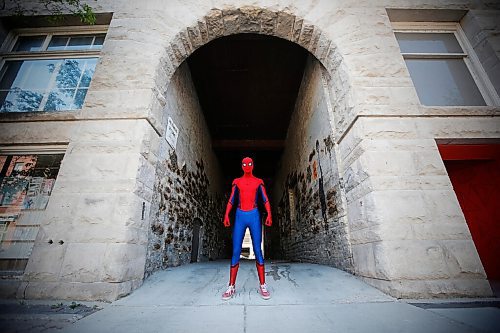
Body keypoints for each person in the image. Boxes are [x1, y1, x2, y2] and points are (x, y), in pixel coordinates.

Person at [222, 157, 272, 300]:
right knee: (236, 250)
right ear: (241, 166)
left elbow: (265, 198)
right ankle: (231, 286)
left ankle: (263, 285)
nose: (247, 166)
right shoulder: (237, 181)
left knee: (257, 249)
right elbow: (232, 199)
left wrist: (270, 213)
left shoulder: (258, 182)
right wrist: (226, 215)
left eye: (249, 164)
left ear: (253, 165)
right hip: (240, 216)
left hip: (254, 215)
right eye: (244, 164)